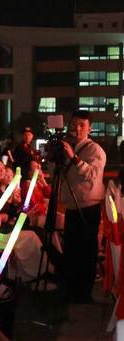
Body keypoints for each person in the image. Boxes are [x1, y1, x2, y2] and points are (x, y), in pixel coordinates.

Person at [60, 110, 107, 303]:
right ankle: (71, 289)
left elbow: (93, 174)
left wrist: (74, 158)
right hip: (72, 205)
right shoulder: (68, 148)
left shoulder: (95, 150)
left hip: (88, 206)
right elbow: (60, 173)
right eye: (74, 124)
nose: (77, 128)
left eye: (82, 125)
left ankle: (85, 292)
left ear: (90, 129)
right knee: (71, 249)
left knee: (86, 250)